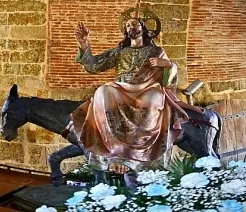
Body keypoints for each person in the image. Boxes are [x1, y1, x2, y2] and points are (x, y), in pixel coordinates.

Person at [68, 11, 203, 173]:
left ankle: (143, 151)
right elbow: (95, 66)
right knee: (103, 91)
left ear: (143, 28)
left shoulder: (156, 51)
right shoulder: (119, 51)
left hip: (148, 88)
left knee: (153, 99)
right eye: (127, 25)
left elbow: (168, 82)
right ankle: (111, 147)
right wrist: (84, 45)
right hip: (122, 88)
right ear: (125, 31)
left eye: (135, 24)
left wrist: (167, 65)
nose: (131, 27)